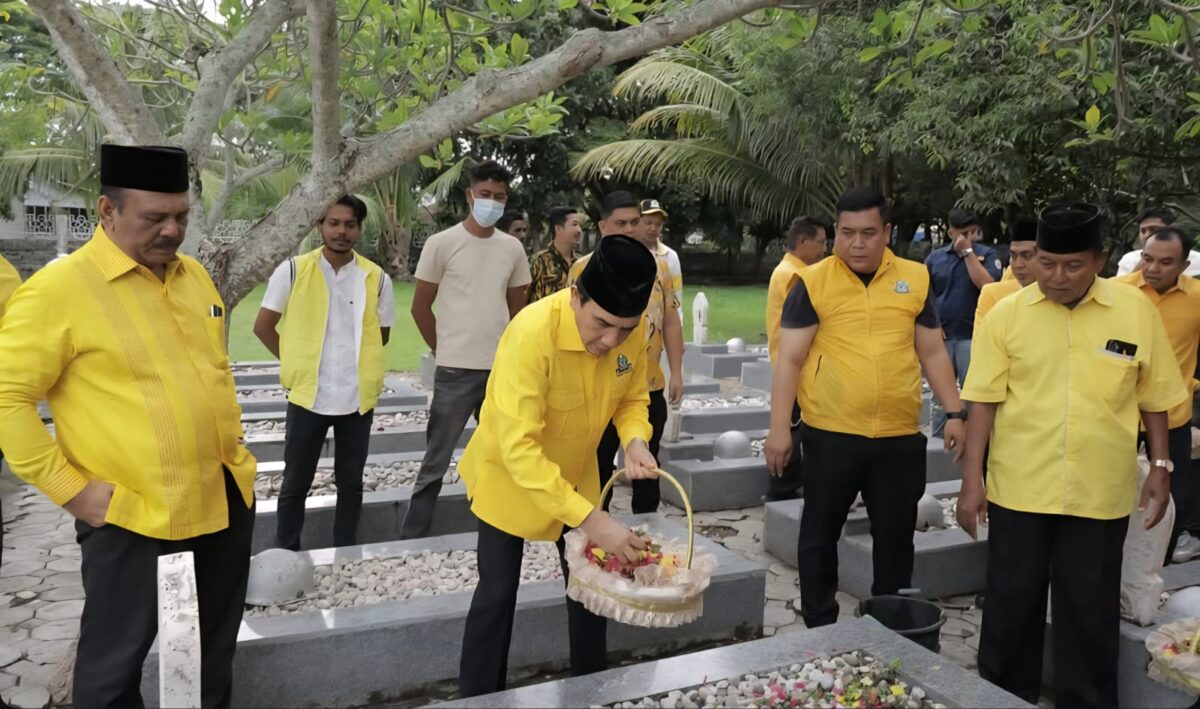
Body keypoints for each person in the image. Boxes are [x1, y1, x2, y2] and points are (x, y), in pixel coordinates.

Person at [0, 145, 256, 708]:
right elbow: (8, 399)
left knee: (211, 653)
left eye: (181, 216)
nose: (171, 230)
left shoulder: (194, 280)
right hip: (129, 511)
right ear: (107, 211)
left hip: (221, 496)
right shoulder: (57, 289)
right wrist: (73, 492)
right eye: (154, 218)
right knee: (112, 669)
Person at [958, 202, 1186, 709]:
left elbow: (1154, 398)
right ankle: (1002, 698)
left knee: (1089, 611)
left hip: (1098, 491)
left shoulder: (1135, 312)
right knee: (1010, 607)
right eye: (1045, 262)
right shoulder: (1006, 315)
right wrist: (972, 481)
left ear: (1100, 259)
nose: (1056, 277)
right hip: (1021, 488)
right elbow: (984, 402)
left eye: (1072, 265)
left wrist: (1162, 466)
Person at [457, 234, 661, 697]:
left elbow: (633, 397)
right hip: (508, 478)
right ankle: (479, 698)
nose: (610, 341)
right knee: (496, 595)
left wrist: (634, 441)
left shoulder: (634, 328)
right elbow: (519, 449)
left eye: (624, 330)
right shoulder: (531, 334)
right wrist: (594, 520)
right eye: (601, 324)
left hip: (575, 474)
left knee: (590, 591)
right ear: (575, 295)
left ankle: (590, 689)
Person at [764, 186, 967, 628]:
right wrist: (780, 428)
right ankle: (820, 624)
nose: (857, 243)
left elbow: (932, 350)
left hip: (897, 437)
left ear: (887, 232)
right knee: (818, 536)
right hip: (831, 434)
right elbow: (790, 358)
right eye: (847, 232)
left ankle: (889, 623)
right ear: (835, 231)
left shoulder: (914, 278)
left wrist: (954, 412)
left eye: (869, 233)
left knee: (895, 539)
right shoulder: (813, 282)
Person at [253, 195, 394, 550]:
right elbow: (264, 325)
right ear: (320, 225)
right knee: (295, 481)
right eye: (333, 223)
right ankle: (286, 550)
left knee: (351, 480)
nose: (341, 231)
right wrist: (295, 362)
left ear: (359, 228)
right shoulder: (294, 270)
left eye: (349, 224)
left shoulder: (376, 278)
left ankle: (345, 549)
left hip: (355, 397)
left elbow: (383, 333)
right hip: (307, 395)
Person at [401, 160, 532, 539]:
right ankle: (414, 532)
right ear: (469, 195)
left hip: (500, 370)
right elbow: (420, 307)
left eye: (500, 197)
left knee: (503, 452)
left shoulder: (512, 249)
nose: (492, 202)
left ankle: (502, 526)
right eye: (486, 195)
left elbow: (517, 309)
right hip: (455, 370)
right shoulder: (442, 244)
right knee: (437, 456)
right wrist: (444, 350)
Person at [567, 193, 684, 514]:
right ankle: (593, 533)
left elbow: (672, 321)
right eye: (621, 224)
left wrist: (676, 371)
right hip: (597, 390)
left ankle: (646, 536)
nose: (631, 230)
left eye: (636, 222)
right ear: (603, 227)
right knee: (596, 464)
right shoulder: (582, 268)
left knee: (646, 460)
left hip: (647, 385)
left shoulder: (661, 267)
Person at [1115, 227, 1200, 564]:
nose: (1153, 268)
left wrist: (1192, 382)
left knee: (1171, 501)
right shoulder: (1117, 293)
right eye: (1147, 258)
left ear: (1183, 265)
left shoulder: (1196, 298)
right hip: (1118, 415)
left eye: (1166, 262)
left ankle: (1156, 569)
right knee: (1113, 499)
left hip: (1172, 417)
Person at [924, 207, 1004, 438]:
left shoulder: (987, 255)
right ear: (951, 233)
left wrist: (968, 252)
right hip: (943, 336)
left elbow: (988, 286)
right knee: (941, 391)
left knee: (974, 392)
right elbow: (924, 296)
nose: (970, 237)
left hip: (973, 336)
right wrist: (934, 326)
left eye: (973, 232)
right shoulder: (935, 258)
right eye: (964, 233)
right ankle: (941, 438)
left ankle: (976, 438)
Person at [763, 216, 827, 502]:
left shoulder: (791, 269)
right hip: (796, 367)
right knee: (793, 432)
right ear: (802, 242)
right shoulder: (795, 276)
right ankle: (781, 491)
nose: (825, 249)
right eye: (821, 242)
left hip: (795, 365)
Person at [973, 218, 1038, 325]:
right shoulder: (993, 295)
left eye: (1026, 256)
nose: (1018, 265)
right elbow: (981, 340)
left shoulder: (1062, 295)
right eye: (1013, 256)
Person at [1116, 206, 1200, 277]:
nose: (1146, 236)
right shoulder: (1129, 260)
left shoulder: (1197, 260)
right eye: (1143, 231)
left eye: (1154, 229)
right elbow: (1120, 291)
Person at [528, 206, 583, 303]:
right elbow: (522, 297)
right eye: (574, 225)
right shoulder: (538, 261)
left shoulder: (582, 262)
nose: (579, 230)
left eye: (580, 225)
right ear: (558, 229)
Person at [640, 198, 683, 317]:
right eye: (648, 223)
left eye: (658, 224)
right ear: (637, 222)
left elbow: (676, 299)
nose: (653, 228)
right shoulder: (626, 253)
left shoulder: (670, 256)